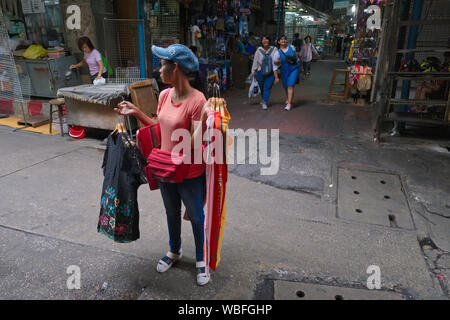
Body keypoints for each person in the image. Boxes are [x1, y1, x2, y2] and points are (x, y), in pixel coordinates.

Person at [114, 44, 211, 286]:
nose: (158, 70)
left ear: (175, 67)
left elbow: (195, 142)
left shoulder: (198, 100)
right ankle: (174, 251)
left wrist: (208, 118)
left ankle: (201, 259)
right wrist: (136, 112)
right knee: (171, 212)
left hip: (189, 171)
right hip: (165, 167)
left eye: (162, 65)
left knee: (197, 217)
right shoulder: (165, 95)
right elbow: (160, 127)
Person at [251, 36, 279, 110]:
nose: (265, 40)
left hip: (271, 72)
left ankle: (265, 102)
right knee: (262, 87)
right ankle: (264, 99)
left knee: (267, 87)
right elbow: (255, 61)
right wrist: (253, 71)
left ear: (269, 40)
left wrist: (277, 69)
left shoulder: (274, 49)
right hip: (260, 71)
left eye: (266, 39)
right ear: (261, 41)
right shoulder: (258, 50)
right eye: (263, 39)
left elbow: (277, 60)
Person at [273, 35, 300, 111]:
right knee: (285, 86)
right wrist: (276, 77)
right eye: (281, 39)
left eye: (285, 39)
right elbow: (274, 65)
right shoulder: (277, 53)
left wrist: (299, 65)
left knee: (290, 85)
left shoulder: (292, 47)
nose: (283, 41)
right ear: (278, 42)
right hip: (285, 71)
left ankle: (289, 104)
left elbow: (296, 57)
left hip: (294, 68)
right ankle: (288, 98)